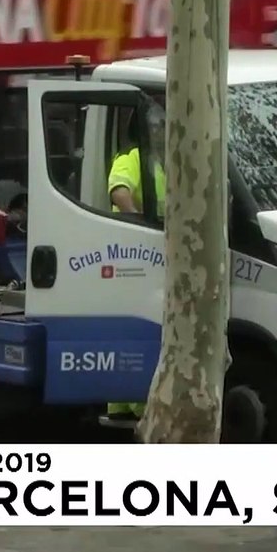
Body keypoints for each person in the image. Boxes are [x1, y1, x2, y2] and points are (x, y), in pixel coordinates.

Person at [104, 104, 167, 422]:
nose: (161, 132)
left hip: (154, 255)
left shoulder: (162, 162)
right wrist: (139, 221)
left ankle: (129, 404)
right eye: (157, 126)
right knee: (135, 332)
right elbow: (119, 191)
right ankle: (132, 405)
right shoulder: (131, 158)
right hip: (131, 254)